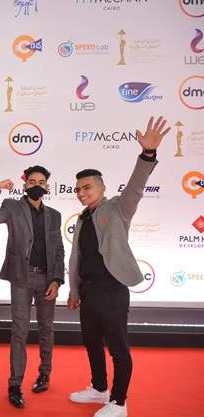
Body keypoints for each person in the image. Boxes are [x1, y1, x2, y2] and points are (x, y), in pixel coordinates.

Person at [67, 116, 170, 417]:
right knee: (91, 343)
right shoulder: (82, 218)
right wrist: (74, 291)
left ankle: (119, 402)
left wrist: (147, 154)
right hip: (88, 291)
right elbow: (77, 258)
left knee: (117, 348)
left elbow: (136, 185)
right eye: (78, 189)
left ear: (102, 188)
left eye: (87, 187)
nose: (81, 193)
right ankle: (99, 388)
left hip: (112, 289)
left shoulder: (118, 208)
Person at [0, 166, 65, 408]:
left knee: (46, 328)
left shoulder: (55, 215)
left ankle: (44, 374)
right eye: (32, 182)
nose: (36, 185)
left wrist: (57, 279)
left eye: (41, 182)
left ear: (47, 186)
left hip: (47, 280)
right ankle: (14, 385)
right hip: (22, 278)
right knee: (19, 331)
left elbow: (58, 249)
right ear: (25, 184)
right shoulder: (12, 206)